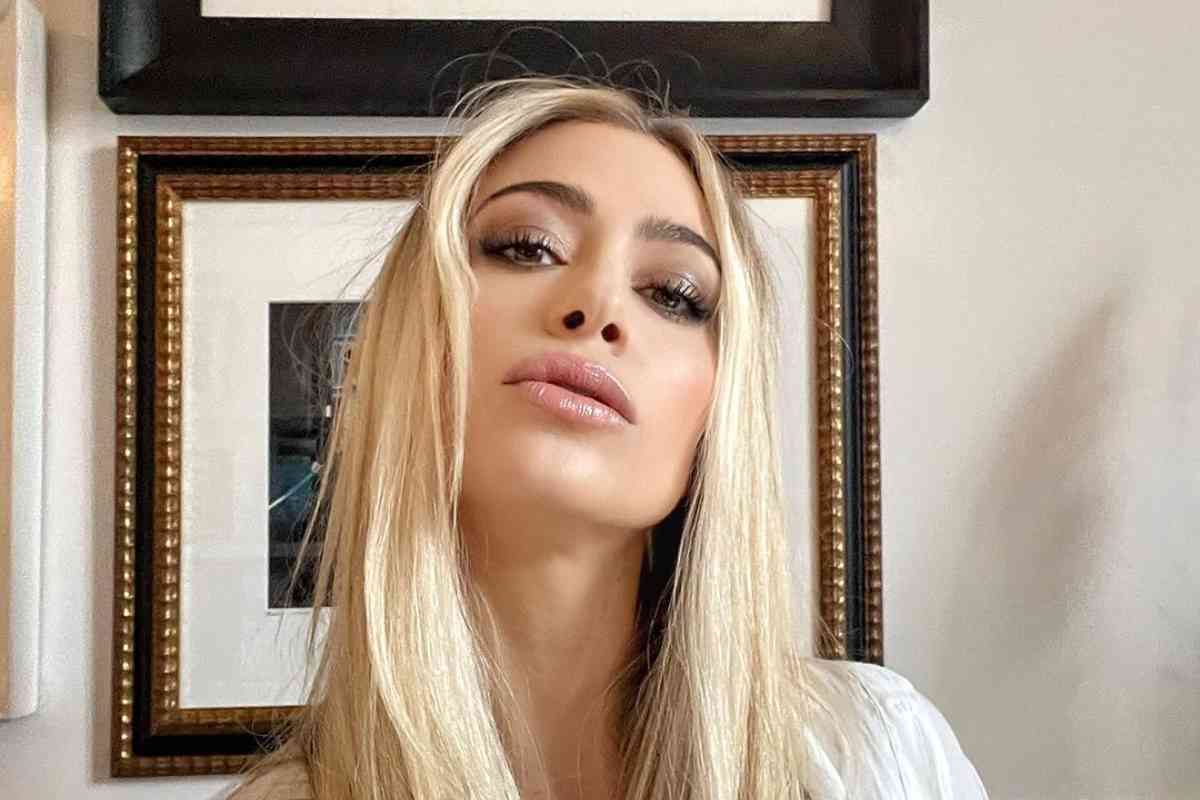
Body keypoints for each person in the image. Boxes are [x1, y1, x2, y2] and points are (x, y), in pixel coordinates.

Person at [227, 75, 989, 800]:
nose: (597, 304)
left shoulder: (877, 756)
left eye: (673, 294)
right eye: (527, 246)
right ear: (410, 331)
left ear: (715, 415)